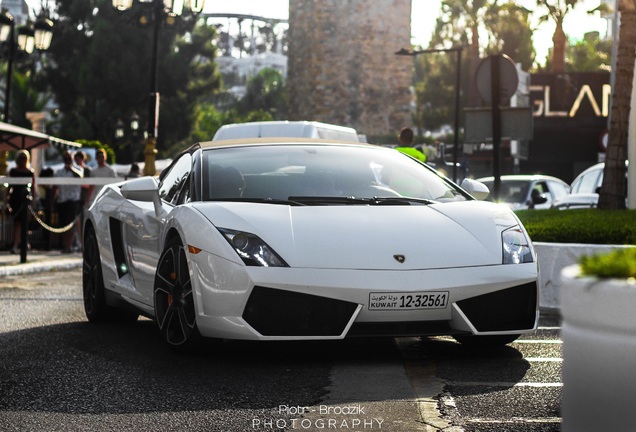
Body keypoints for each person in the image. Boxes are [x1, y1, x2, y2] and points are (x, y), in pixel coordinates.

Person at [7, 150, 35, 254]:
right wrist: (7, 200)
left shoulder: (30, 172)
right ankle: (15, 244)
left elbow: (33, 187)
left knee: (25, 222)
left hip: (26, 198)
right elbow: (9, 186)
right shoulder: (13, 171)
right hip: (15, 198)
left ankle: (25, 243)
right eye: (21, 158)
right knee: (17, 223)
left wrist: (33, 200)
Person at [54, 151, 83, 253]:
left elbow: (80, 177)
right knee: (63, 224)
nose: (67, 160)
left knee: (70, 224)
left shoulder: (78, 169)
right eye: (65, 158)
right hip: (62, 200)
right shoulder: (59, 172)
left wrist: (71, 169)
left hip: (73, 200)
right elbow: (55, 186)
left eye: (69, 158)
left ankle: (69, 246)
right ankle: (65, 245)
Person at [73, 151, 93, 249]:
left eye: (79, 158)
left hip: (84, 199)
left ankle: (83, 242)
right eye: (76, 159)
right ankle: (78, 242)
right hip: (75, 198)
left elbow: (89, 186)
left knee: (82, 221)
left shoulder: (87, 170)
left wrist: (86, 200)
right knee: (76, 221)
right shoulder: (73, 170)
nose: (78, 160)